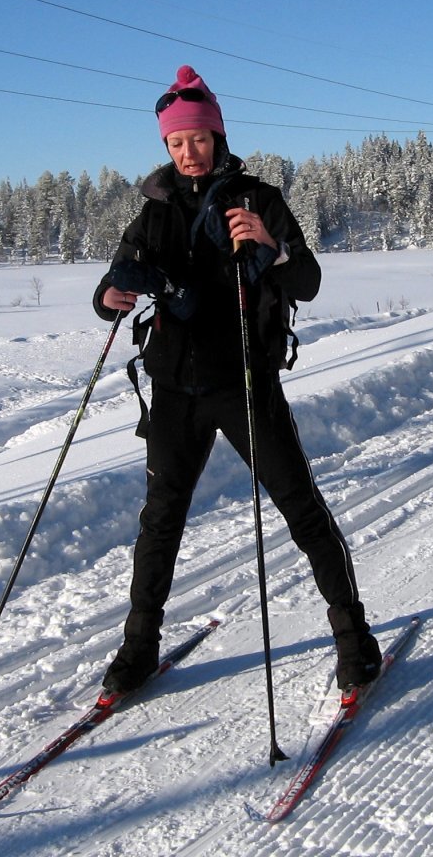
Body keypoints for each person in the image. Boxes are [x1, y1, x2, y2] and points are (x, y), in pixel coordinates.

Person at [92, 65, 381, 695]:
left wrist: (274, 247)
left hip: (245, 382)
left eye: (197, 139)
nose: (188, 152)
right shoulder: (155, 210)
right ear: (165, 147)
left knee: (300, 508)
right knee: (160, 520)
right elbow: (116, 279)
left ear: (217, 137)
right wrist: (109, 295)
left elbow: (306, 282)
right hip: (174, 389)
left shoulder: (259, 199)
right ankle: (139, 649)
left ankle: (355, 638)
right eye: (176, 142)